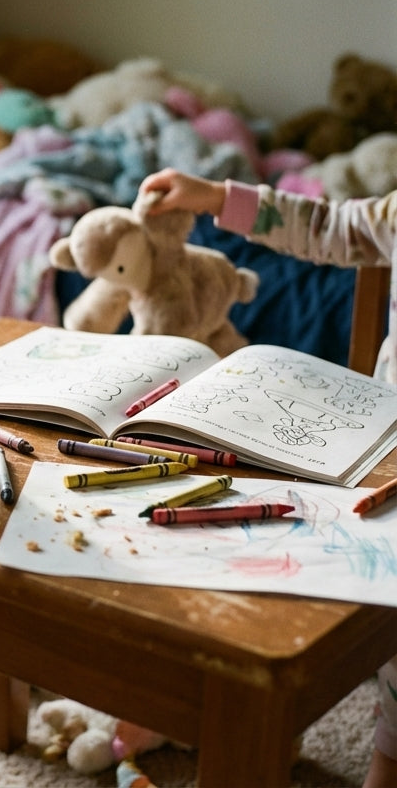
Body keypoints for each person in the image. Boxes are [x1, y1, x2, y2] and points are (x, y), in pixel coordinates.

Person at [139, 167, 397, 788]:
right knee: (267, 549)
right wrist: (218, 199)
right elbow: (327, 225)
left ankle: (386, 755)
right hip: (369, 441)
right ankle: (245, 711)